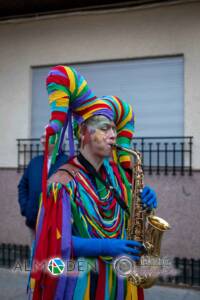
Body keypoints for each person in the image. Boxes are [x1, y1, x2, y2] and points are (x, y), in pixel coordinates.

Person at [29, 66, 157, 300]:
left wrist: (145, 204)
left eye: (115, 129)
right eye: (105, 128)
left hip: (120, 282)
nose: (113, 135)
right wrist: (105, 247)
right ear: (82, 132)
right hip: (81, 285)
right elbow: (52, 242)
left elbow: (130, 223)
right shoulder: (62, 182)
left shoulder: (121, 179)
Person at [17, 134, 68, 235]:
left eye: (47, 136)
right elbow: (23, 186)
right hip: (34, 222)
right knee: (34, 250)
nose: (43, 140)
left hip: (58, 226)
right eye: (42, 137)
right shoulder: (35, 162)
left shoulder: (68, 162)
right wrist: (26, 209)